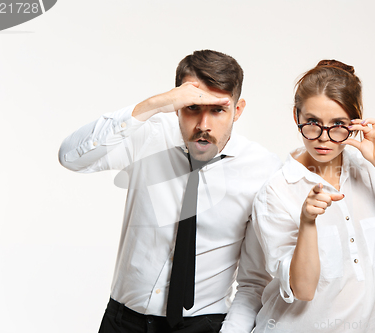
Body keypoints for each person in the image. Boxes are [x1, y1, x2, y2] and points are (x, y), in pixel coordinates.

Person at [58, 49, 281, 333]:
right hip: (122, 322)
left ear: (237, 110)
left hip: (203, 325)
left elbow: (253, 282)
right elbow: (71, 157)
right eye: (191, 107)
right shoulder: (148, 135)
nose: (203, 125)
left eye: (217, 110)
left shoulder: (263, 170)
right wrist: (152, 104)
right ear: (177, 104)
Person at [251, 60, 375, 333]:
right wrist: (307, 222)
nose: (323, 138)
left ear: (356, 121)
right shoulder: (277, 190)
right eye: (312, 122)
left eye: (338, 124)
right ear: (296, 117)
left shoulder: (370, 172)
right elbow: (302, 289)